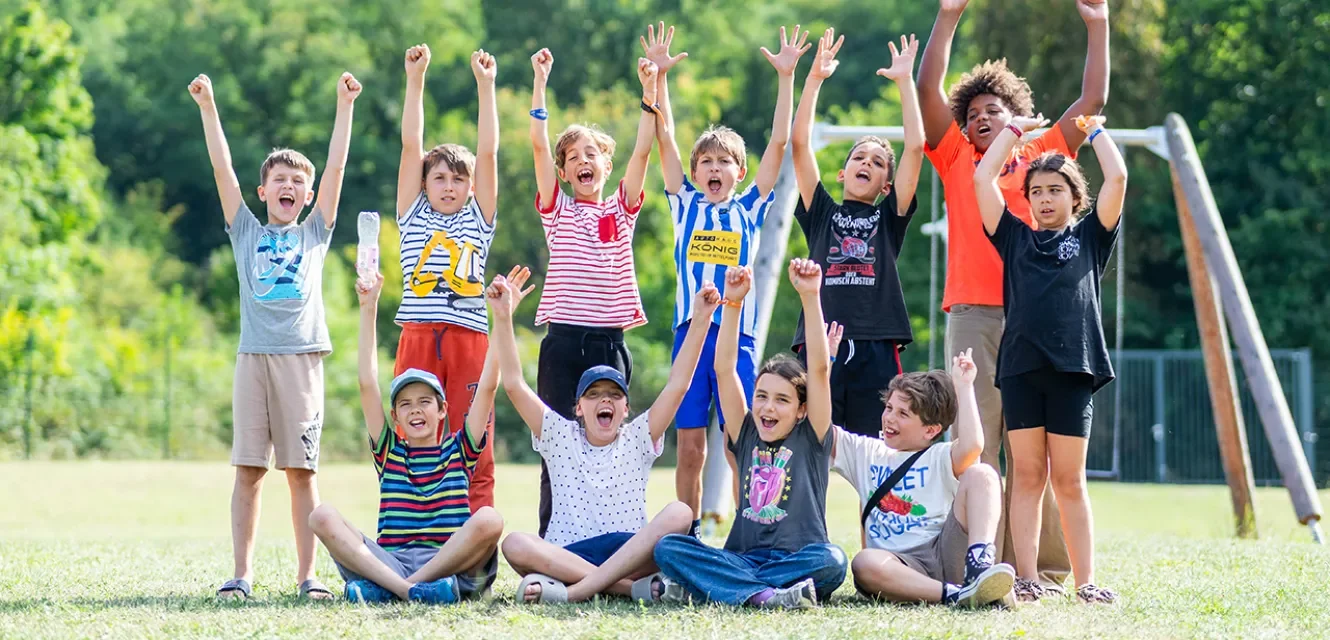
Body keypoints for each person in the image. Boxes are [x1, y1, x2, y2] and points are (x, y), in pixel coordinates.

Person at [918, 0, 1111, 590]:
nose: (982, 118)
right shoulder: (957, 156)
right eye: (973, 113)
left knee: (1042, 458)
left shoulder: (1041, 151)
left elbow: (1093, 102)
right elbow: (927, 89)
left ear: (1017, 115)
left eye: (994, 110)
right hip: (974, 314)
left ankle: (1045, 570)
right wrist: (947, 16)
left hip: (1039, 322)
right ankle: (977, 561)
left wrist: (1098, 25)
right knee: (976, 446)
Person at [189, 71, 361, 601]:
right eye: (279, 180)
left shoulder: (315, 232)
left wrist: (344, 105)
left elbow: (336, 166)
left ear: (308, 195)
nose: (289, 186)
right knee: (248, 470)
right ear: (263, 191)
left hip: (301, 360)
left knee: (301, 473)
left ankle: (308, 577)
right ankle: (240, 575)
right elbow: (221, 168)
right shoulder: (245, 230)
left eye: (298, 182)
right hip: (253, 359)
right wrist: (208, 105)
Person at [643, 21, 809, 534]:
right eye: (706, 162)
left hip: (737, 337)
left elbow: (779, 143)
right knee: (690, 446)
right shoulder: (683, 204)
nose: (714, 168)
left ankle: (748, 535)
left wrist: (786, 77)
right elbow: (665, 137)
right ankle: (687, 534)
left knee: (740, 442)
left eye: (724, 162)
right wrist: (660, 79)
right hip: (690, 336)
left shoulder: (750, 207)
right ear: (696, 173)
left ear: (739, 171)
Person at [975, 113, 1126, 604]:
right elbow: (983, 178)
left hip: (1073, 370)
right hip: (1021, 370)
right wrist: (1013, 132)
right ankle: (1027, 579)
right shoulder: (1014, 236)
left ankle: (1087, 583)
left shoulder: (1091, 237)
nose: (1044, 199)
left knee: (1069, 480)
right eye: (1036, 191)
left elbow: (1118, 178)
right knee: (1027, 476)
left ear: (1074, 197)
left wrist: (1095, 131)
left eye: (1055, 190)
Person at [494, 278, 719, 603]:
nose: (605, 400)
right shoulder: (559, 434)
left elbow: (678, 385)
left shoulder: (638, 437)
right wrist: (503, 316)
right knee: (514, 543)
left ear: (625, 408)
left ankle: (572, 591)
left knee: (681, 513)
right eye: (594, 394)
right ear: (578, 408)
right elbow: (514, 385)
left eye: (614, 395)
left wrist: (701, 320)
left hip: (629, 551)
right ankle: (627, 589)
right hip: (567, 552)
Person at [306, 270, 516, 604]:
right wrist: (368, 307)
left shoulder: (459, 449)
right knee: (321, 516)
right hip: (391, 562)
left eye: (424, 402)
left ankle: (395, 589)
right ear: (395, 417)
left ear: (443, 410)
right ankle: (411, 590)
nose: (415, 410)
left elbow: (488, 387)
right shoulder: (389, 452)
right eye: (405, 404)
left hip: (449, 562)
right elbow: (367, 383)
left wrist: (502, 318)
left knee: (490, 518)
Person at [653, 261, 847, 609]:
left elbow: (818, 371)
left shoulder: (812, 437)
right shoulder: (745, 433)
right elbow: (724, 369)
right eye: (761, 396)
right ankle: (766, 596)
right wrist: (734, 303)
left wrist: (810, 295)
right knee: (668, 547)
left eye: (782, 400)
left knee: (832, 560)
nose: (768, 408)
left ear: (801, 409)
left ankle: (720, 586)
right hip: (742, 557)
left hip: (798, 561)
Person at [528, 47, 659, 537]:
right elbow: (538, 146)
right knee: (557, 445)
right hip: (562, 342)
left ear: (606, 164)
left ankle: (615, 536)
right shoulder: (557, 210)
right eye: (572, 158)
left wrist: (649, 91)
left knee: (611, 444)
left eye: (592, 154)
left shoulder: (621, 211)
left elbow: (643, 151)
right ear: (563, 173)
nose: (583, 161)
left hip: (610, 342)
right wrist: (541, 82)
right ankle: (552, 542)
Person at [789, 29, 925, 436]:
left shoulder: (888, 217)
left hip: (876, 344)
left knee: (875, 447)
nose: (867, 163)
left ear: (887, 184)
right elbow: (799, 144)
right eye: (859, 157)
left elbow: (916, 148)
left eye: (878, 162)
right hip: (820, 342)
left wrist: (905, 82)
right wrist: (814, 79)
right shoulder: (822, 212)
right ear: (842, 172)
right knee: (815, 442)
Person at [391, 45, 501, 512]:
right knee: (413, 439)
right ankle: (414, 528)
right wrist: (416, 80)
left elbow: (488, 152)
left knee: (474, 438)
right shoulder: (412, 215)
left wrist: (486, 86)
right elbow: (410, 146)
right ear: (424, 184)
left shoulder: (478, 219)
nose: (449, 186)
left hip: (469, 338)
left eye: (458, 180)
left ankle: (475, 539)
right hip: (418, 335)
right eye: (439, 178)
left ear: (471, 187)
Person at [835, 350, 1015, 607]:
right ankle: (957, 594)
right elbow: (822, 430)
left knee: (983, 474)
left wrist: (964, 387)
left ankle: (978, 567)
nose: (889, 418)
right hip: (898, 565)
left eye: (903, 414)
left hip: (944, 553)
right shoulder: (865, 452)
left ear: (930, 430)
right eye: (889, 408)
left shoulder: (940, 456)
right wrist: (826, 363)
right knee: (864, 562)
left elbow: (973, 445)